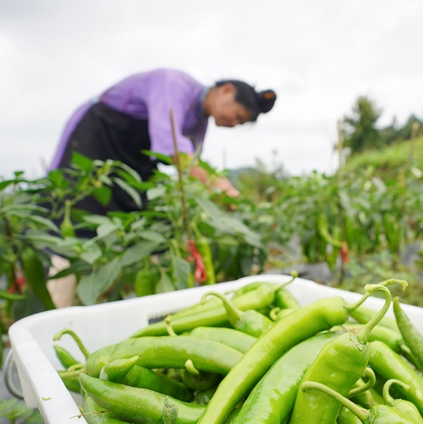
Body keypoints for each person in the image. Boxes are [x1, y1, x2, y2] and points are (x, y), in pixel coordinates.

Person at [46, 68, 276, 306]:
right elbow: (173, 150)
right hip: (98, 139)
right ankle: (57, 310)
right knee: (76, 221)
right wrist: (215, 183)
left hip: (133, 163)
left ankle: (101, 305)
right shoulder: (173, 84)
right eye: (237, 116)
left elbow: (188, 171)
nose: (233, 124)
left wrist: (211, 198)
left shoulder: (199, 123)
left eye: (240, 123)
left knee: (139, 223)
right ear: (227, 90)